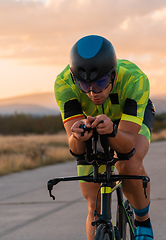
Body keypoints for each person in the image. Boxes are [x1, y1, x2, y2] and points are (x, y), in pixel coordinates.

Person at [54, 35, 155, 240]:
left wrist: (112, 131)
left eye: (100, 82)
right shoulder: (64, 83)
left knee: (128, 163)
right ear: (75, 79)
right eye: (84, 85)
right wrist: (78, 135)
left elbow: (126, 147)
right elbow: (76, 150)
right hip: (92, 123)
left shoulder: (135, 79)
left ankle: (142, 220)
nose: (93, 92)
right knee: (94, 202)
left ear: (114, 76)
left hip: (129, 122)